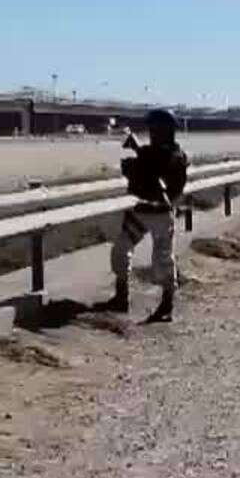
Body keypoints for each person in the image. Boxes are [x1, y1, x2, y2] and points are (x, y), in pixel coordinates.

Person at [99, 109, 188, 323]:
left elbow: (159, 165)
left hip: (161, 213)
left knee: (163, 260)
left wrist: (139, 151)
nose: (153, 133)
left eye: (156, 129)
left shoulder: (175, 155)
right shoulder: (151, 151)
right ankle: (121, 296)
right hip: (142, 211)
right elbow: (145, 166)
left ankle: (167, 304)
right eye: (152, 129)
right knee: (121, 249)